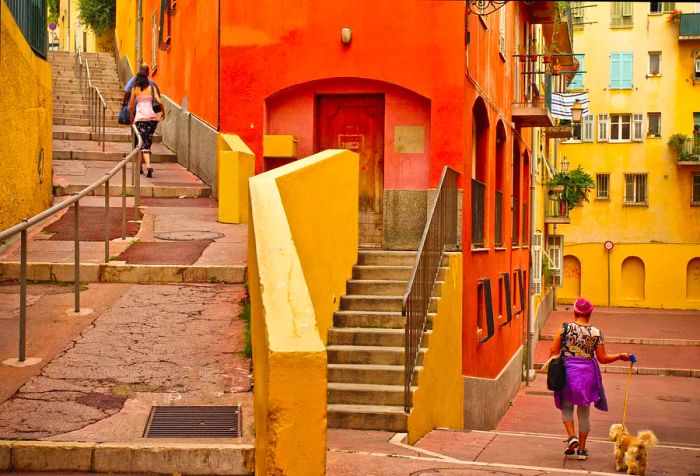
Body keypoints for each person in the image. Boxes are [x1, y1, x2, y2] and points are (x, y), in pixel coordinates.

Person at [549, 297, 631, 461]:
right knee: (584, 413)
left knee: (567, 407)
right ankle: (581, 450)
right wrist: (621, 356)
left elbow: (553, 350)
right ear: (590, 313)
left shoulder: (565, 328)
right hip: (587, 375)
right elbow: (603, 358)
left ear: (574, 312)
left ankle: (572, 436)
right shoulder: (596, 333)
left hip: (568, 373)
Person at [129, 69, 165, 178]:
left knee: (143, 143)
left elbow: (131, 106)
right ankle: (140, 167)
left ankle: (148, 166)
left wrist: (131, 117)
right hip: (152, 120)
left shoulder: (135, 89)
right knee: (145, 143)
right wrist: (163, 113)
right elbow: (160, 101)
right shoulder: (152, 88)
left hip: (140, 120)